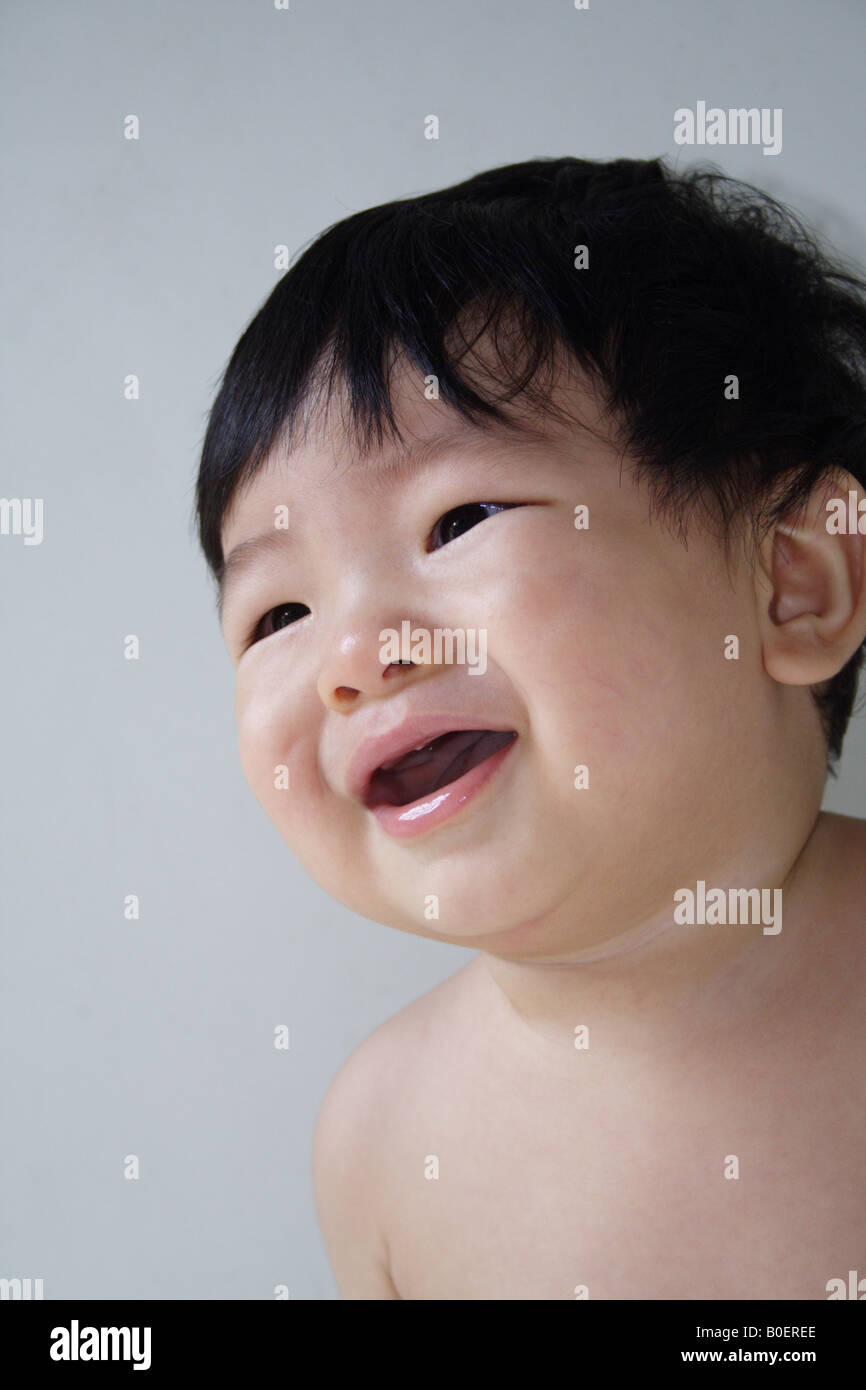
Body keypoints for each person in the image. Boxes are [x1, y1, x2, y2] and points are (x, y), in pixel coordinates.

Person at [196, 156, 866, 1299]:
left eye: (457, 518)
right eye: (279, 613)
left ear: (788, 584)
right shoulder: (380, 1139)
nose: (355, 656)